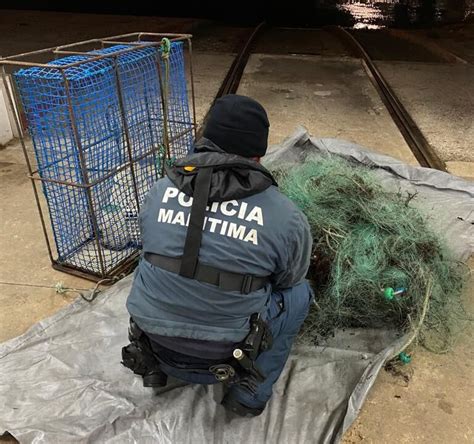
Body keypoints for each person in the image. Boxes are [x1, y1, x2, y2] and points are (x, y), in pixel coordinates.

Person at [123, 94, 313, 417]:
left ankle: (156, 366)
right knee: (299, 293)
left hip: (156, 340)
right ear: (258, 155)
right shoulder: (285, 216)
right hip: (226, 353)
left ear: (205, 140)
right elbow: (289, 278)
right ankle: (250, 391)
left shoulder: (158, 191)